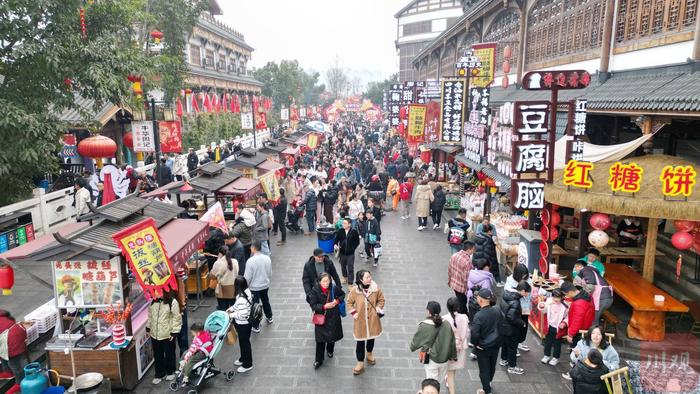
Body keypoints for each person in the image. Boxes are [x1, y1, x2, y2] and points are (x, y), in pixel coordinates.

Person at [347, 270, 385, 375]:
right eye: (367, 277)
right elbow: (349, 302)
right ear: (361, 279)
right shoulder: (355, 291)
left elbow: (381, 300)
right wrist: (354, 313)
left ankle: (369, 353)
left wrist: (377, 308)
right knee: (360, 341)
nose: (370, 278)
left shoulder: (375, 288)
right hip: (360, 321)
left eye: (370, 276)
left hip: (373, 319)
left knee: (371, 338)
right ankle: (360, 362)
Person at [410, 301, 457, 381]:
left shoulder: (425, 325)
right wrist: (453, 356)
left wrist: (413, 347)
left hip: (432, 358)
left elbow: (414, 344)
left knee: (431, 382)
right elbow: (452, 342)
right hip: (444, 359)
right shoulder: (446, 323)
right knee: (438, 381)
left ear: (429, 311)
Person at [470, 288, 503, 394]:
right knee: (492, 366)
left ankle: (486, 390)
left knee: (484, 369)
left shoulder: (479, 316)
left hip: (483, 347)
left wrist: (477, 344)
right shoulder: (497, 310)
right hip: (496, 345)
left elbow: (474, 334)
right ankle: (489, 382)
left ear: (480, 300)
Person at [309, 272, 345, 369]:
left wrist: (336, 301)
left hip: (333, 317)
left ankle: (330, 350)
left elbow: (342, 295)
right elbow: (313, 305)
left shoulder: (333, 288)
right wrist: (324, 306)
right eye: (324, 281)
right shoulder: (315, 290)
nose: (326, 283)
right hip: (321, 318)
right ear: (319, 281)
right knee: (320, 340)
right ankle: (318, 360)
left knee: (331, 336)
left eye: (328, 281)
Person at [147, 290, 182, 384]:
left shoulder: (172, 302)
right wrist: (148, 327)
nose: (155, 293)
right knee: (157, 355)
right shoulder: (153, 302)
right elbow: (150, 315)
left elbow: (176, 317)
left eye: (157, 291)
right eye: (154, 291)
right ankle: (159, 374)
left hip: (167, 334)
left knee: (169, 353)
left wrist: (174, 332)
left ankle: (170, 371)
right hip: (155, 334)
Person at [499, 281, 531, 375]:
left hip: (503, 325)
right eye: (527, 292)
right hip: (511, 328)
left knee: (505, 344)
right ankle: (512, 367)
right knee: (513, 347)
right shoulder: (516, 302)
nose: (527, 294)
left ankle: (503, 359)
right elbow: (512, 317)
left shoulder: (506, 295)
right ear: (523, 291)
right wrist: (522, 323)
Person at [572, 261, 613, 329]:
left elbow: (590, 287)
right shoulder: (591, 270)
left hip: (602, 298)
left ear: (579, 266)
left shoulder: (586, 271)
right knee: (594, 316)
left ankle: (593, 335)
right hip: (606, 298)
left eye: (575, 268)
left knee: (594, 319)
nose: (575, 270)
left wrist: (582, 297)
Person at [243, 241, 273, 333]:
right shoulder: (267, 258)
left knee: (255, 306)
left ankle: (256, 325)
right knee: (265, 301)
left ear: (254, 248)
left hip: (254, 287)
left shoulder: (250, 261)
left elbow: (247, 276)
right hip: (265, 284)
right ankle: (269, 316)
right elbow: (270, 272)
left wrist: (245, 286)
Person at [442, 297, 469, 394]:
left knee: (450, 373)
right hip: (460, 349)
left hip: (449, 350)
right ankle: (449, 380)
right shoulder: (465, 318)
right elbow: (467, 333)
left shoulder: (444, 319)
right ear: (458, 307)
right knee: (453, 370)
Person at [228, 276, 254, 373]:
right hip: (246, 324)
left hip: (243, 324)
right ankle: (243, 358)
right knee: (244, 342)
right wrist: (232, 308)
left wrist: (231, 314)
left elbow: (243, 314)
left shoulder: (241, 299)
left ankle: (248, 364)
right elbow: (238, 306)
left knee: (244, 343)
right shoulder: (247, 292)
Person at [561, 281, 595, 348]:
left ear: (570, 292)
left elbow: (577, 321)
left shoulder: (579, 304)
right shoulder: (586, 295)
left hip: (579, 331)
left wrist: (570, 334)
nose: (566, 296)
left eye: (566, 294)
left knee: (575, 350)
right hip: (587, 326)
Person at [0, 310, 29, 386]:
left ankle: (20, 384)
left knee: (14, 364)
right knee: (3, 353)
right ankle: (8, 372)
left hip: (11, 341)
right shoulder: (4, 316)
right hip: (16, 334)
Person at [540, 289, 568, 366]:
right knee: (547, 341)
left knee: (557, 343)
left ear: (562, 297)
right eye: (554, 297)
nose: (555, 299)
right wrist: (542, 305)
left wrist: (564, 323)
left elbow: (568, 316)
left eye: (558, 297)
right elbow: (542, 308)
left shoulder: (565, 305)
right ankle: (546, 355)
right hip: (549, 326)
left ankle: (556, 357)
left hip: (559, 327)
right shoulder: (549, 301)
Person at [447, 240, 475, 314]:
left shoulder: (454, 255)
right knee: (462, 304)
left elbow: (449, 270)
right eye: (473, 249)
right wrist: (468, 289)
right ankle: (461, 317)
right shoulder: (467, 261)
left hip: (454, 283)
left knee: (459, 301)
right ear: (469, 249)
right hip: (461, 287)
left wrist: (449, 281)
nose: (474, 251)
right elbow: (466, 278)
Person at [210, 246, 238, 311]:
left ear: (220, 253)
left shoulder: (218, 263)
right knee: (234, 308)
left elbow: (212, 276)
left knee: (223, 309)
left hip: (222, 289)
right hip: (233, 288)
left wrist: (217, 260)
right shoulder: (235, 261)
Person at [335, 218, 360, 284]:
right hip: (342, 253)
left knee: (350, 268)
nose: (343, 224)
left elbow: (357, 242)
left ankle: (350, 282)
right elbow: (336, 240)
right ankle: (345, 277)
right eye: (343, 223)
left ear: (349, 224)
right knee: (343, 266)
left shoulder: (354, 232)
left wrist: (352, 248)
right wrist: (335, 245)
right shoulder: (340, 231)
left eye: (345, 223)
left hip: (350, 254)